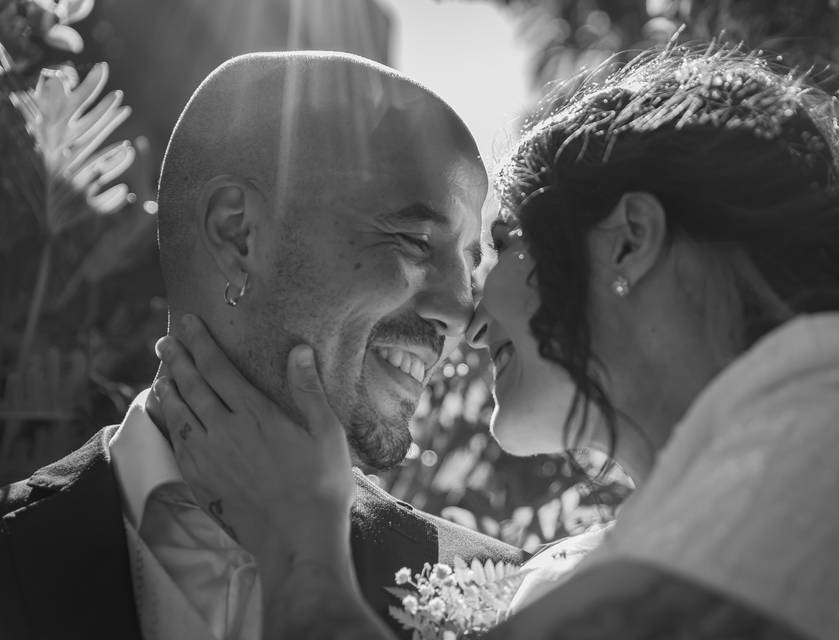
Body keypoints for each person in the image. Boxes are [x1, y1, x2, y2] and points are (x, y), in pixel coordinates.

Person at [154, 45, 839, 639]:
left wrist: (303, 550)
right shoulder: (568, 572)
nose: (467, 318)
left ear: (627, 240)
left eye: (500, 246)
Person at [0, 51, 525, 640]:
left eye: (468, 265)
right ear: (237, 233)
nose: (460, 309)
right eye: (414, 241)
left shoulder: (504, 598)